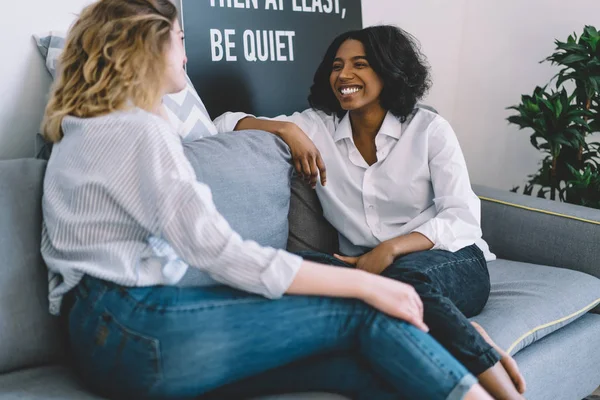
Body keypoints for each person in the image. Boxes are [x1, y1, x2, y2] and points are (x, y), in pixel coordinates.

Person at [40, 1, 492, 399]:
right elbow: (220, 252)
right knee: (364, 315)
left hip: (95, 344)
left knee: (355, 369)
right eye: (180, 39)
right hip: (136, 328)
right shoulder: (139, 130)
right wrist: (370, 285)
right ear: (149, 45)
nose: (186, 53)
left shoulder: (78, 129)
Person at [215, 25, 526, 400]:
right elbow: (224, 123)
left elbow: (462, 215)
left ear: (388, 70)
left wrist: (391, 248)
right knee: (299, 269)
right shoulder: (316, 127)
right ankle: (459, 328)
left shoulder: (429, 129)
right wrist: (285, 130)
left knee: (404, 283)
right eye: (337, 65)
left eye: (359, 64)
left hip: (450, 259)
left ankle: (497, 384)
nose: (344, 75)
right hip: (360, 268)